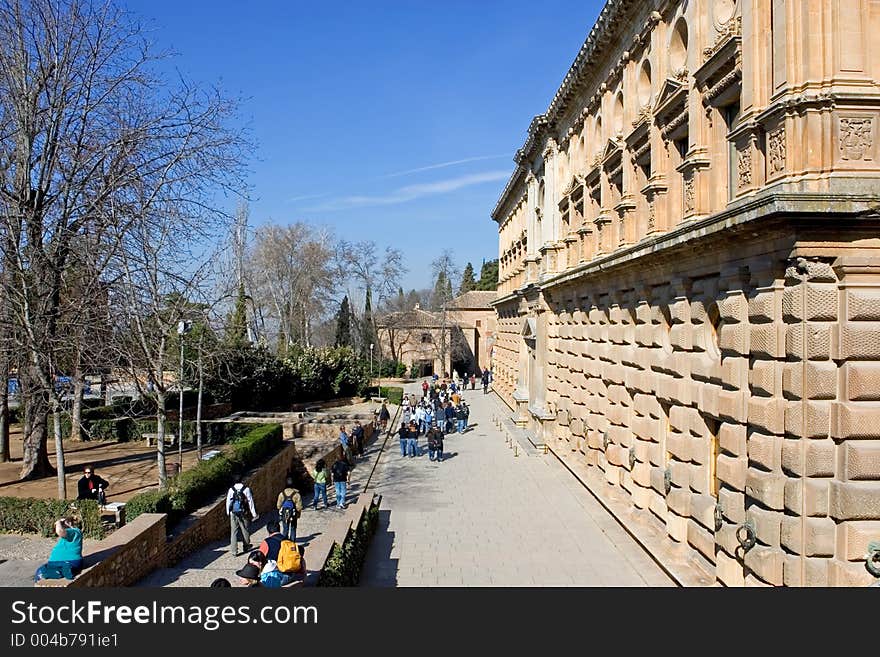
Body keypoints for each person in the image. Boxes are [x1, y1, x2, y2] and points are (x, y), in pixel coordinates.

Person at [34, 517, 83, 583]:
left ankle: (62, 571)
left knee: (41, 571)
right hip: (69, 561)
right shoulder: (75, 533)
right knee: (46, 568)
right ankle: (65, 570)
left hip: (66, 561)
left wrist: (58, 522)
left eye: (63, 522)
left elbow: (59, 531)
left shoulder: (73, 531)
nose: (62, 524)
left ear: (70, 523)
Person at [226, 474, 257, 556]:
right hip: (244, 512)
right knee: (245, 529)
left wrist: (228, 512)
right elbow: (251, 502)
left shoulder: (231, 489)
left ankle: (234, 550)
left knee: (234, 531)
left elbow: (228, 502)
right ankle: (246, 546)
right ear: (241, 480)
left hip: (234, 513)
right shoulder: (246, 489)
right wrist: (254, 514)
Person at [276, 477, 302, 541]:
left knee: (285, 528)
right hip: (293, 514)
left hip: (285, 514)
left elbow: (278, 506)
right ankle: (292, 542)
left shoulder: (282, 494)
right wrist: (298, 514)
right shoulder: (296, 494)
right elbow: (299, 507)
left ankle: (284, 542)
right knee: (293, 528)